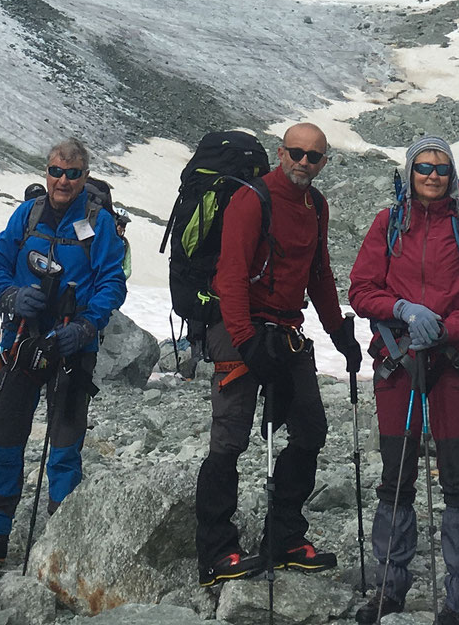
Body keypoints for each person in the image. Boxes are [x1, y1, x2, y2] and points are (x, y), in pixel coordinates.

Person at [195, 122, 364, 586]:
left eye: (313, 157)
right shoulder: (253, 199)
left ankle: (284, 537)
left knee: (310, 430)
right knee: (230, 439)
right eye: (295, 153)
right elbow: (230, 275)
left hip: (287, 328)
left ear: (324, 162)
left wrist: (339, 332)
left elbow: (319, 273)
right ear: (279, 152)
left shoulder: (317, 206)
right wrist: (247, 341)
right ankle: (216, 551)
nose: (303, 163)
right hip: (240, 326)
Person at [0, 139, 127, 565]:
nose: (62, 180)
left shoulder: (98, 223)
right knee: (8, 435)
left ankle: (62, 540)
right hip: (22, 340)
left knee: (65, 443)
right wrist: (9, 296)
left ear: (85, 176)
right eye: (56, 171)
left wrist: (85, 326)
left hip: (71, 345)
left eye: (72, 173)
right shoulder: (26, 215)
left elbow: (112, 283)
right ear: (46, 172)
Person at [347, 137, 459, 625]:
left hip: (452, 361)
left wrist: (443, 329)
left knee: (458, 479)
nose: (432, 175)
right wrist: (403, 311)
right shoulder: (389, 223)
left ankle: (458, 598)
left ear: (452, 175)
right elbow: (362, 288)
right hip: (399, 359)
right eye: (424, 167)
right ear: (410, 172)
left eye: (441, 168)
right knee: (397, 477)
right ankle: (390, 588)